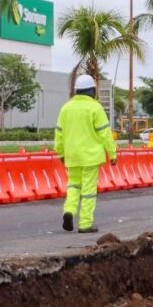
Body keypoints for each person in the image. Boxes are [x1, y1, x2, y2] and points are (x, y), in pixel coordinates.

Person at [55, 74, 116, 233]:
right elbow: (105, 133)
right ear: (92, 91)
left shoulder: (66, 108)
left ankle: (68, 211)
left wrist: (60, 153)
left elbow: (59, 133)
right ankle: (85, 223)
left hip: (72, 156)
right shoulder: (95, 107)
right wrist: (113, 154)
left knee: (73, 186)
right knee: (88, 191)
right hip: (90, 157)